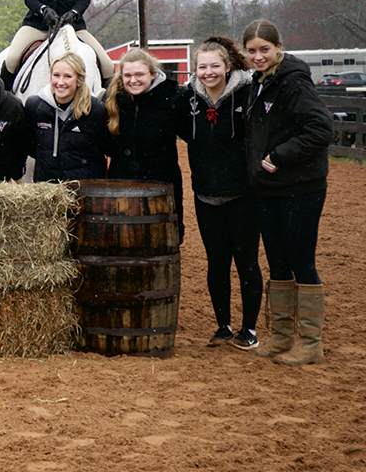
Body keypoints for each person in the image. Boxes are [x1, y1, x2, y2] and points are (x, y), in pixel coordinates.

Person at [242, 20, 333, 366]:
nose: (258, 56)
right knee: (277, 261)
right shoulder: (259, 83)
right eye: (251, 50)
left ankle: (311, 341)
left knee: (301, 261)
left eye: (264, 49)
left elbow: (321, 128)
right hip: (269, 188)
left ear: (279, 47)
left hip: (300, 187)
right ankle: (281, 335)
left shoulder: (293, 81)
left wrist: (279, 157)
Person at [183, 36, 262, 350]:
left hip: (243, 194)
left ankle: (250, 329)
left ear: (228, 66)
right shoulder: (188, 100)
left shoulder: (248, 93)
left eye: (215, 65)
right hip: (205, 194)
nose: (208, 72)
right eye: (202, 67)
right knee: (216, 262)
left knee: (246, 262)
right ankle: (223, 326)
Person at [104, 48, 189, 237]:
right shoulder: (114, 102)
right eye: (127, 75)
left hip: (161, 188)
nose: (133, 80)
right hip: (122, 188)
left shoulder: (172, 100)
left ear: (152, 74)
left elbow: (193, 135)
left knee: (161, 245)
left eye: (139, 74)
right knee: (122, 242)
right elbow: (105, 144)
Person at [24, 53, 108, 182]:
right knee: (13, 59)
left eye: (68, 76)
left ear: (79, 80)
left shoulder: (96, 110)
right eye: (56, 75)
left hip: (86, 189)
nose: (60, 82)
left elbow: (107, 146)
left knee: (107, 64)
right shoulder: (34, 106)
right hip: (47, 189)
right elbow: (29, 145)